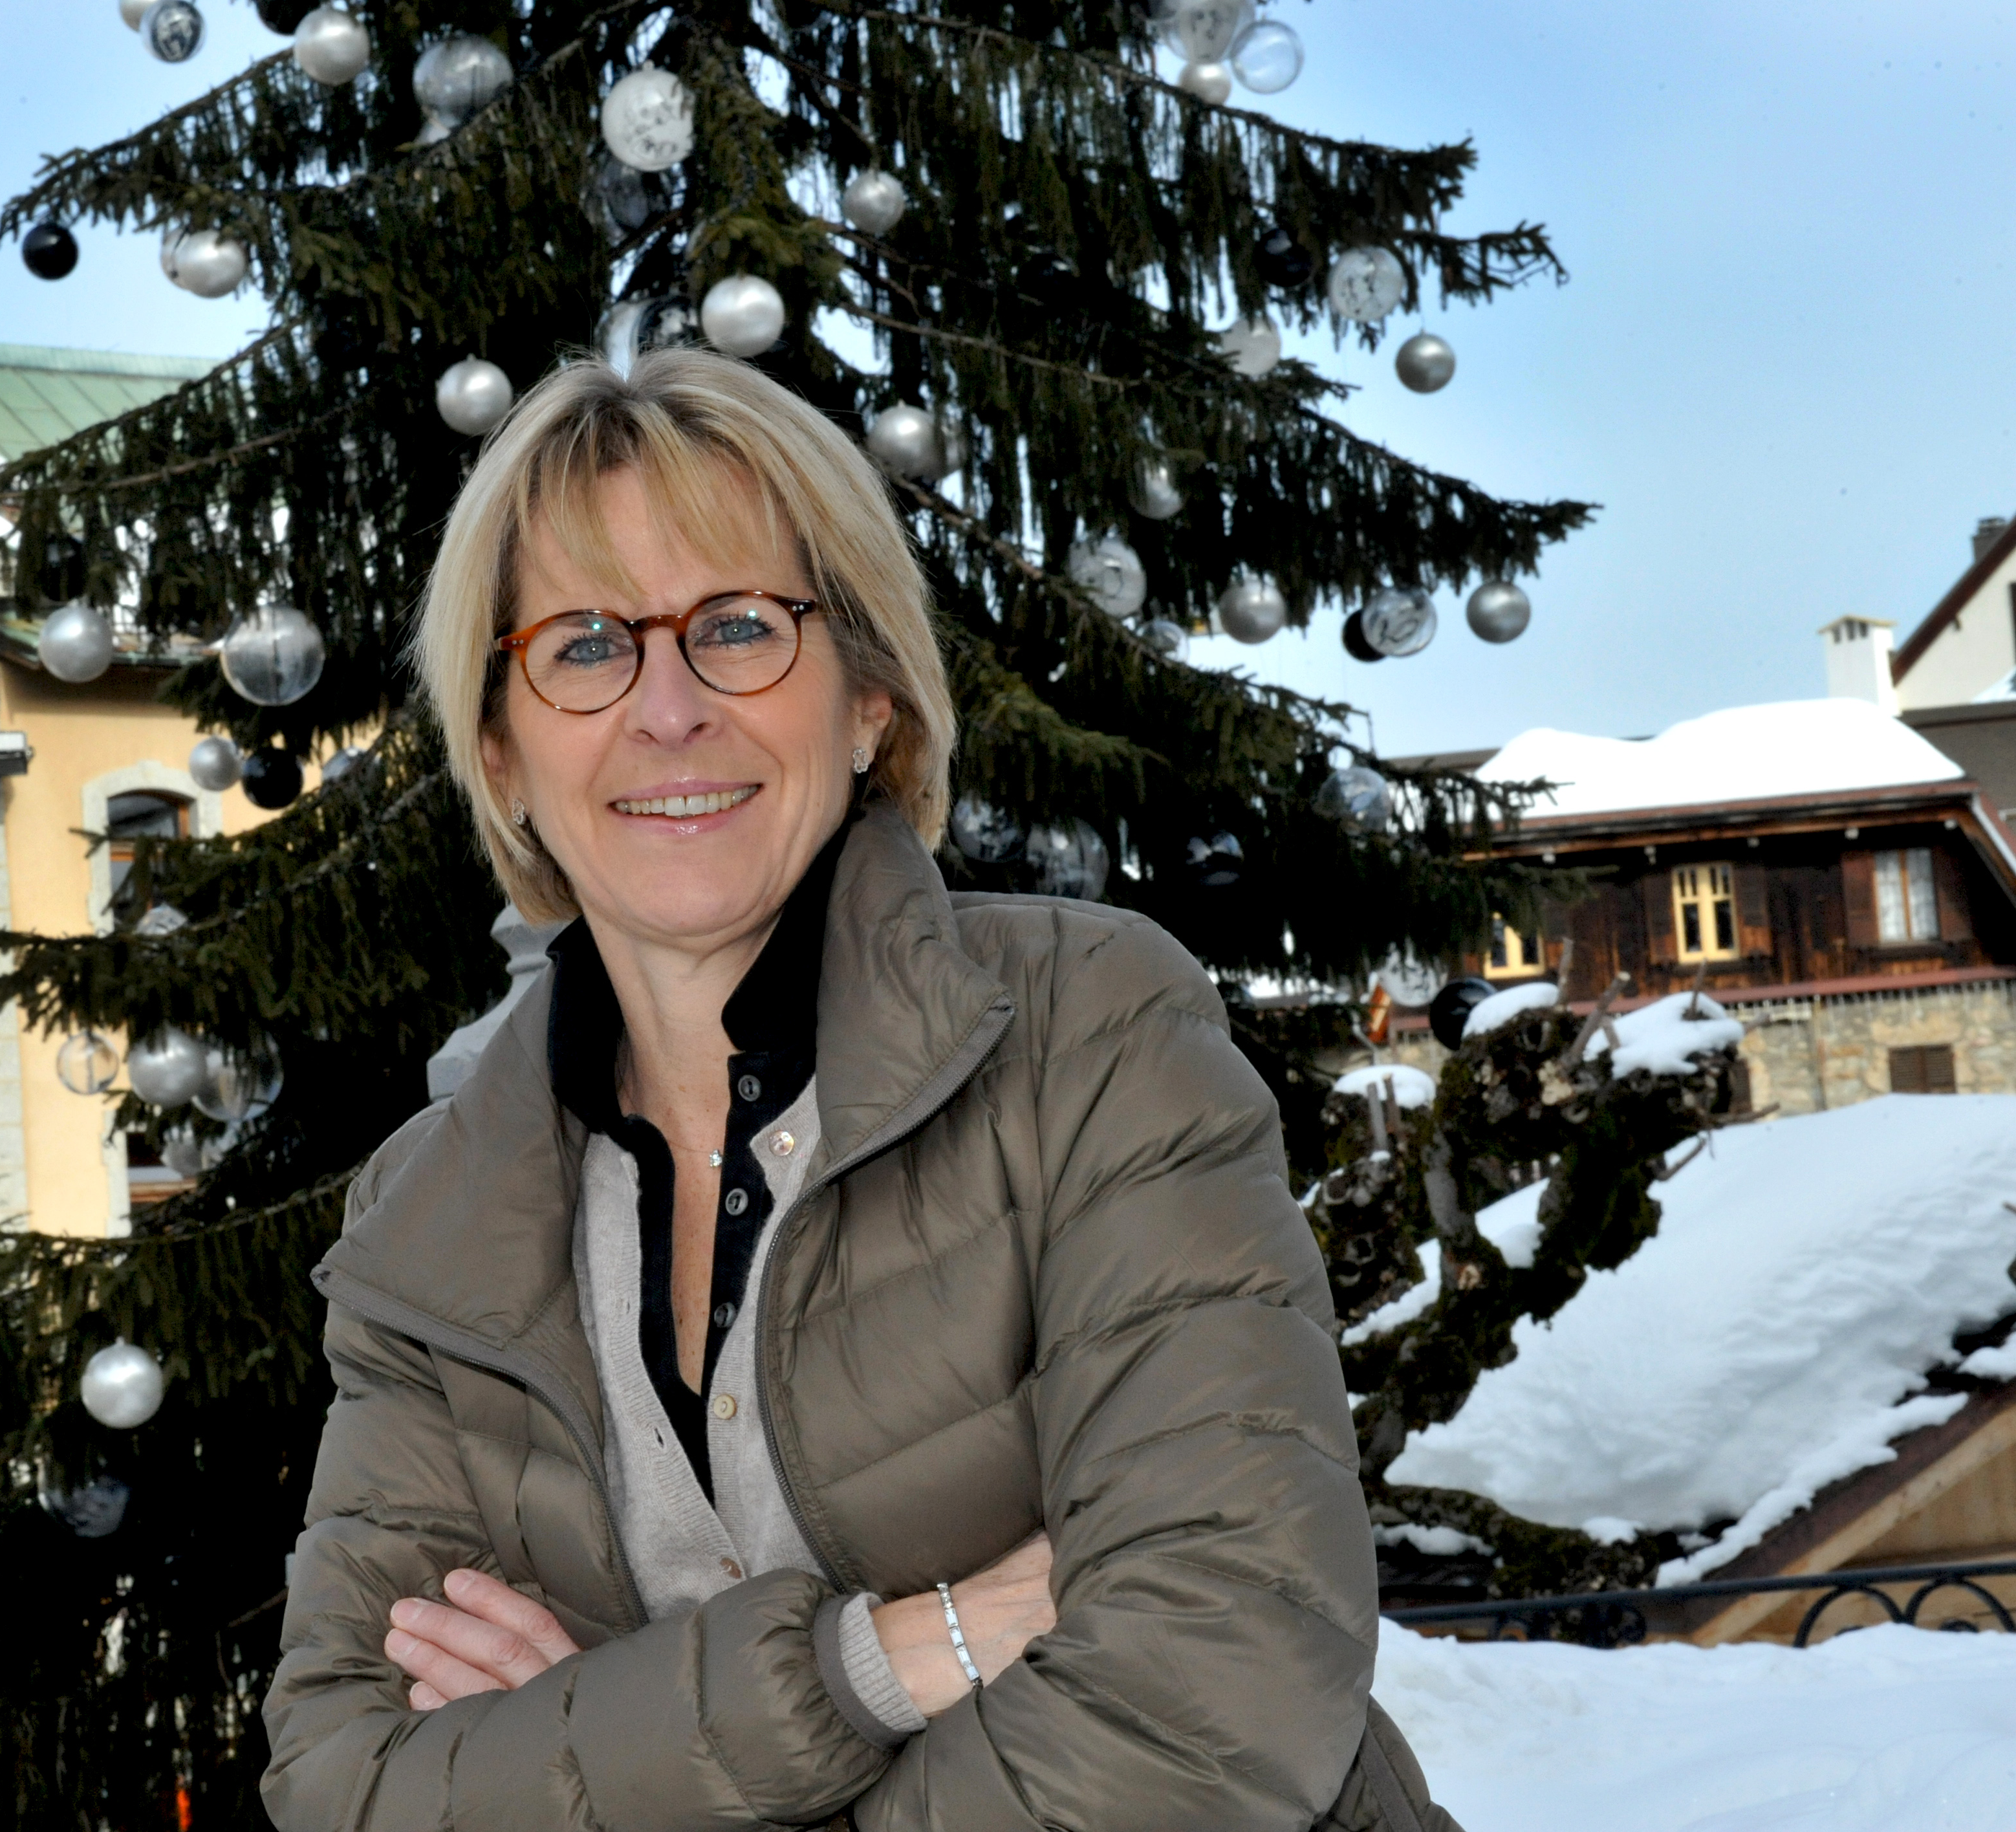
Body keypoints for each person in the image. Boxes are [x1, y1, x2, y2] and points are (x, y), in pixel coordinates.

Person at [262, 349, 1447, 1830]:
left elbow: (1217, 1682)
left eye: (742, 628)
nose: (668, 709)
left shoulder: (1085, 1033)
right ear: (499, 750)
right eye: (581, 645)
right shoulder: (430, 1222)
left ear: (870, 698)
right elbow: (350, 1788)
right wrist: (890, 1661)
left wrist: (600, 1737)